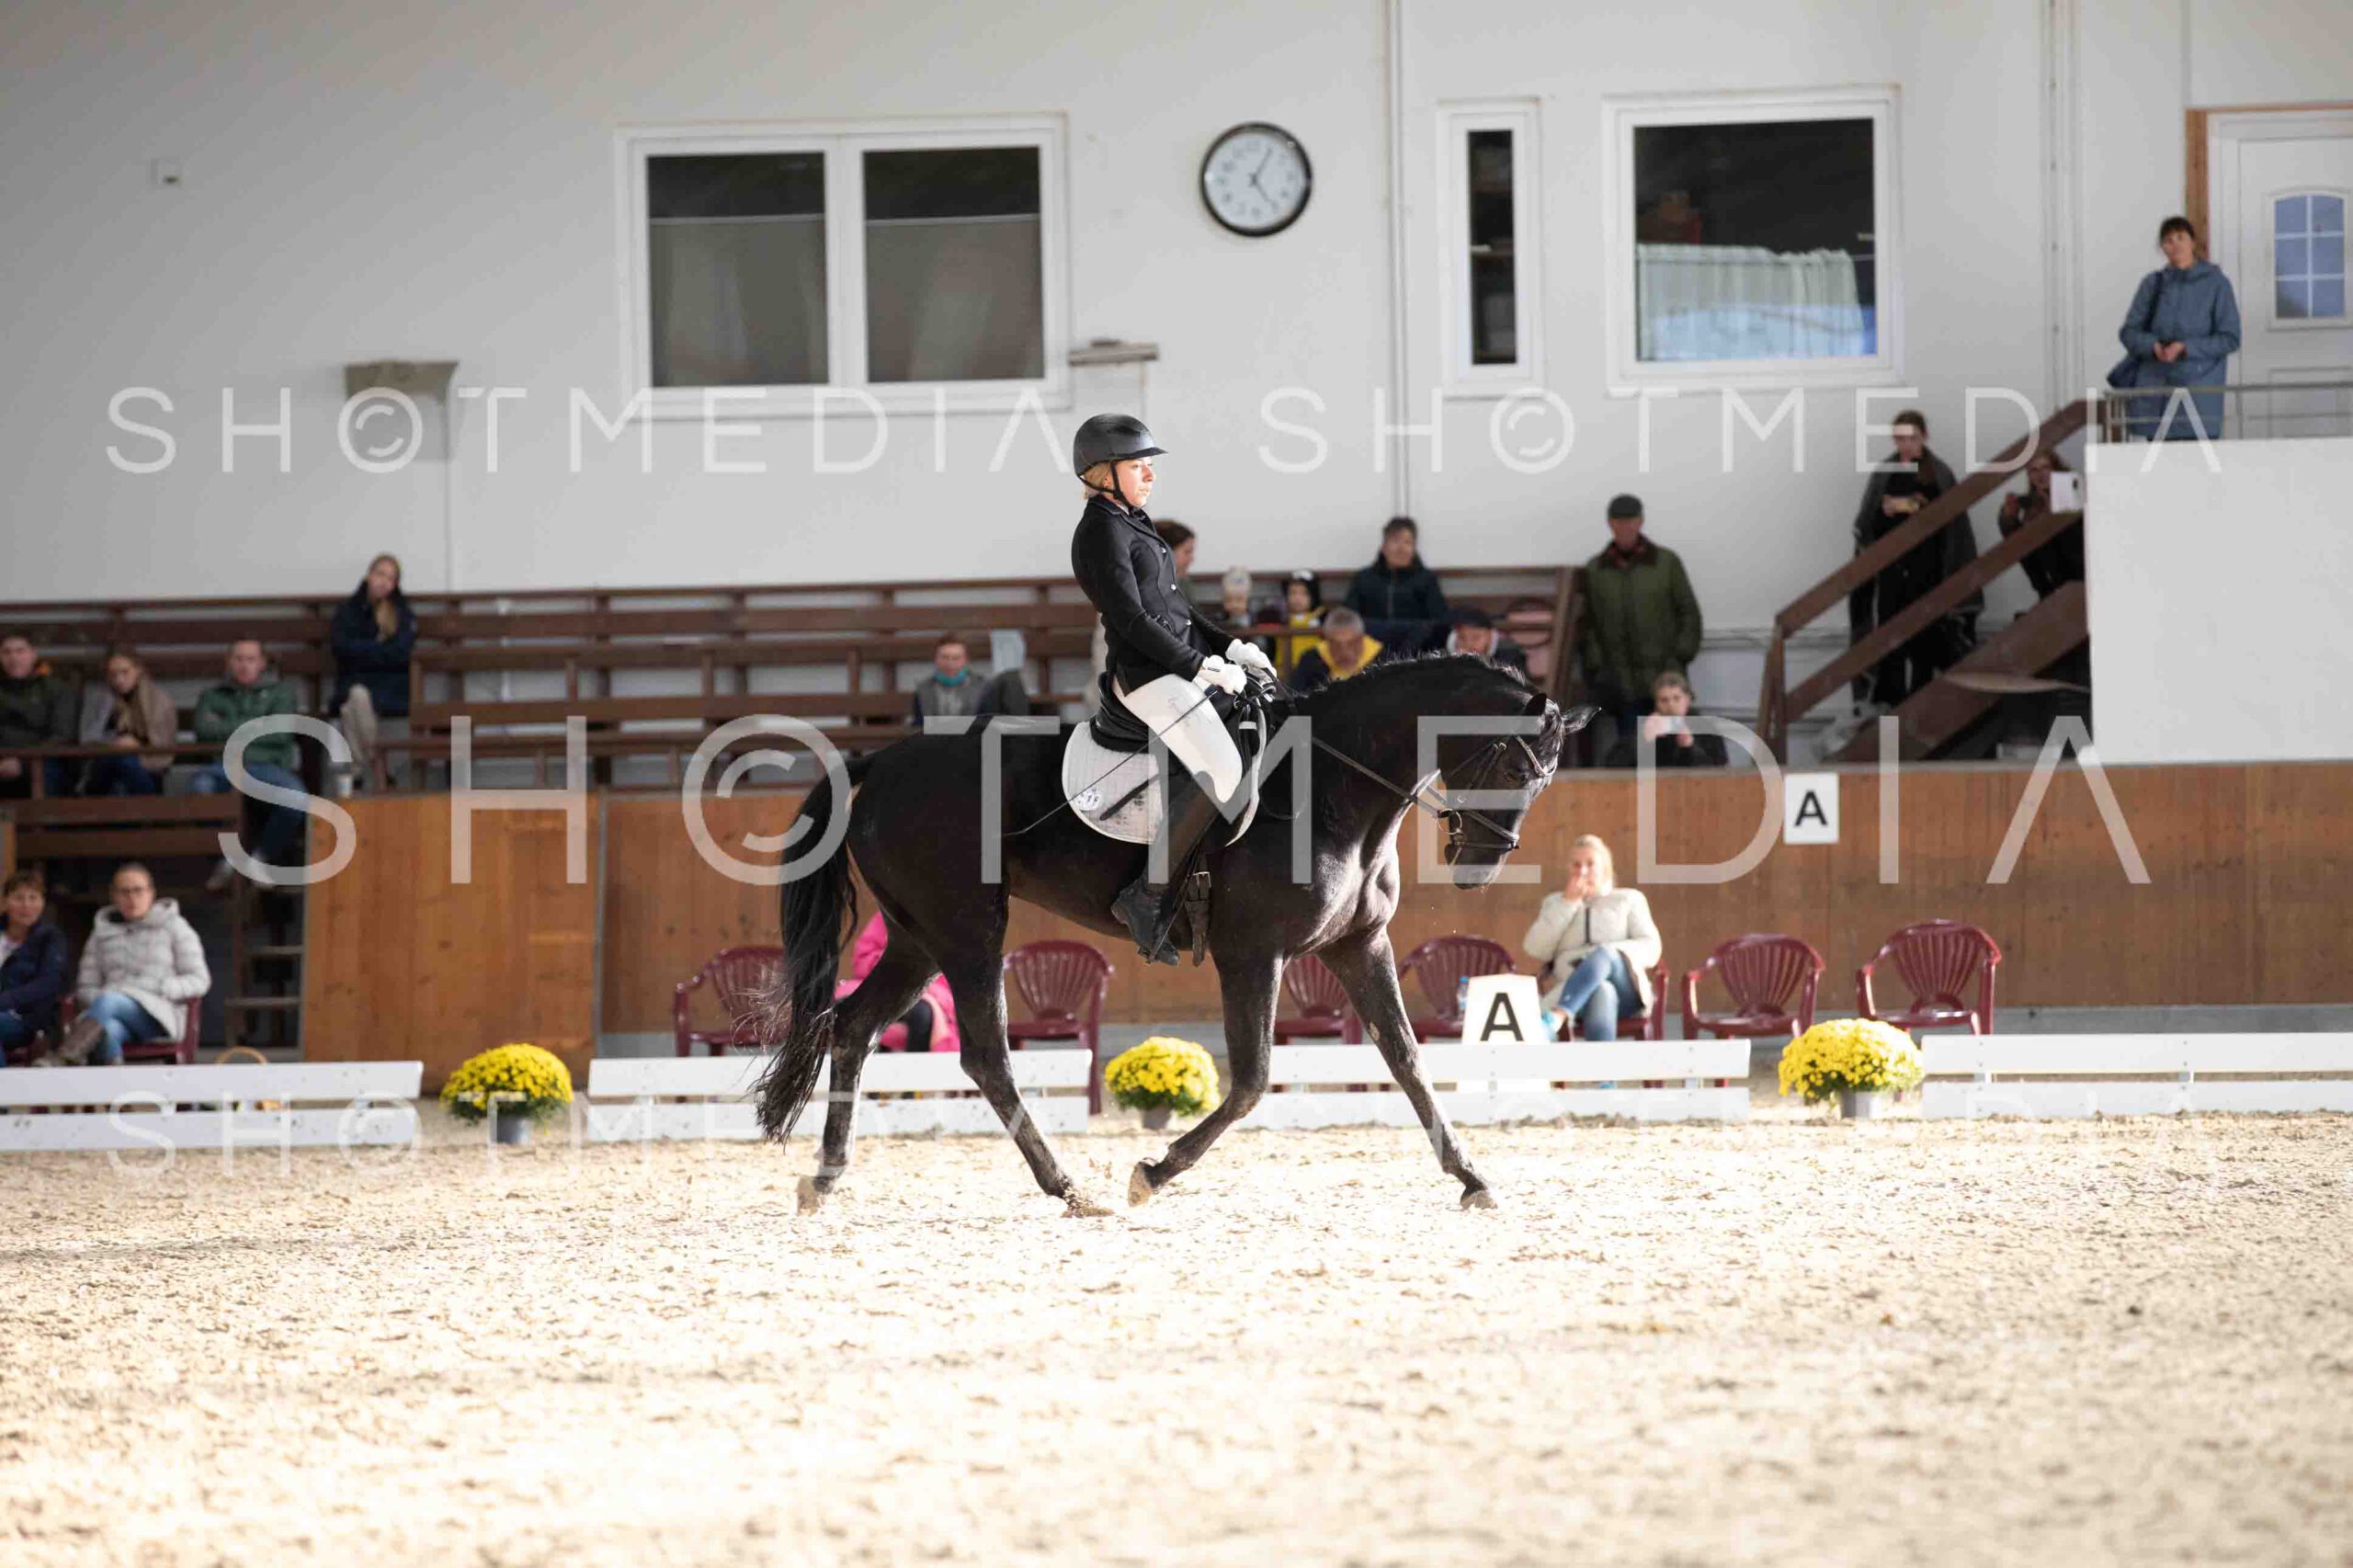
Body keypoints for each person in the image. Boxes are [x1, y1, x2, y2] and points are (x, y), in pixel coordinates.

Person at [1067, 413, 1274, 964]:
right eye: (1138, 466)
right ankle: (1146, 895)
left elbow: (1176, 607)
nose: (1150, 475)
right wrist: (1201, 667)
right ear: (1103, 472)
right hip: (1147, 677)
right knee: (1223, 771)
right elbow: (1133, 620)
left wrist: (1230, 647)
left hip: (1176, 666)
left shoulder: (1135, 521)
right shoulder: (1100, 532)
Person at [1846, 411, 1982, 710]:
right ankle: (1890, 704)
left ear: (1924, 437)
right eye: (1900, 439)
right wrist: (1886, 512)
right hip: (1892, 571)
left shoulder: (1940, 474)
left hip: (1929, 569)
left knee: (1926, 638)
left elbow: (1953, 528)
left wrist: (1918, 508)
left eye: (1912, 438)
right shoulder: (1885, 473)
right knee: (1890, 637)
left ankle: (1924, 703)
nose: (1906, 445)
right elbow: (1868, 527)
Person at [41, 862, 209, 1066]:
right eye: (124, 892)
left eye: (138, 890)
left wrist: (164, 987)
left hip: (159, 1015)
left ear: (151, 893)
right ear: (114, 896)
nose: (132, 898)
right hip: (110, 1011)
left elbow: (200, 979)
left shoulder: (174, 927)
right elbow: (86, 987)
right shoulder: (101, 934)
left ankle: (65, 1055)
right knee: (108, 1030)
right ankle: (113, 1084)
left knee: (111, 1000)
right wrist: (107, 996)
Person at [1578, 494, 1702, 747]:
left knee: (1674, 749)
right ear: (1610, 524)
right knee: (1632, 750)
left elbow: (1689, 614)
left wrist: (1679, 658)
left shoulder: (1666, 563)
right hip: (1621, 685)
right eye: (1619, 521)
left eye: (1631, 521)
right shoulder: (1595, 570)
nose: (1626, 527)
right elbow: (1588, 625)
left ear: (1641, 522)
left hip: (1666, 683)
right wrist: (1598, 667)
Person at [2110, 216, 2242, 441]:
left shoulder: (2217, 284)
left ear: (2193, 242)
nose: (2175, 245)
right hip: (2155, 398)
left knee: (2199, 462)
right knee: (2155, 462)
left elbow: (2230, 338)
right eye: (2168, 240)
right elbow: (2129, 332)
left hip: (2198, 398)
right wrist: (2152, 347)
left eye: (2181, 237)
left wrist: (2185, 348)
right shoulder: (2152, 284)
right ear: (2162, 248)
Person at [1520, 834, 1661, 1041]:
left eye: (1590, 864)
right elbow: (1535, 948)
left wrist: (1606, 955)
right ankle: (1602, 1065)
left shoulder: (1629, 899)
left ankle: (1557, 1015)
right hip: (1573, 991)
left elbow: (1651, 948)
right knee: (1602, 990)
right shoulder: (1554, 903)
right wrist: (1568, 904)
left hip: (1626, 992)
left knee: (1605, 953)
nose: (1582, 871)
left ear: (1605, 868)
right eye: (1576, 865)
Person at [190, 639, 304, 890]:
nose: (244, 665)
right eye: (239, 659)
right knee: (200, 789)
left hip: (268, 766)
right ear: (228, 662)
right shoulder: (212, 695)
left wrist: (228, 730)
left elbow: (281, 734)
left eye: (251, 659)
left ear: (262, 663)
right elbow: (204, 732)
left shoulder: (282, 692)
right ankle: (228, 858)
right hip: (223, 766)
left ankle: (259, 860)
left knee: (297, 799)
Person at [330, 552, 416, 791]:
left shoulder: (401, 613)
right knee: (356, 697)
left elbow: (401, 652)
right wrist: (380, 649)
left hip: (391, 685)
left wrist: (364, 651)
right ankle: (379, 767)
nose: (383, 582)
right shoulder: (348, 610)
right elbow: (340, 648)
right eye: (380, 574)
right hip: (354, 681)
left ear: (395, 584)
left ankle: (358, 772)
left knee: (350, 708)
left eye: (390, 578)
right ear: (369, 575)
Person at [835, 912, 959, 1052]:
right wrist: (895, 963)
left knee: (923, 1013)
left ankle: (914, 1064)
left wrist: (928, 993)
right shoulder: (889, 914)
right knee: (844, 1008)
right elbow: (861, 960)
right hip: (881, 985)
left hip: (928, 995)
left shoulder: (946, 922)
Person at [75, 646, 177, 797]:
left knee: (125, 761)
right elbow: (87, 739)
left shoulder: (158, 700)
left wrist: (137, 746)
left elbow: (163, 751)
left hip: (146, 769)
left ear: (138, 670)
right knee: (115, 759)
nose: (119, 680)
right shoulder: (101, 699)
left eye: (125, 672)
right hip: (103, 766)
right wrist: (113, 744)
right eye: (113, 674)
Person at [1346, 517, 1449, 653]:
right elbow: (1350, 618)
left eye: (1407, 543)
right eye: (1395, 541)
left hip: (1416, 651)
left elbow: (1438, 621)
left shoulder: (1427, 580)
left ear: (1414, 549)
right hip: (1371, 650)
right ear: (1383, 547)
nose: (1401, 549)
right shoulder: (1364, 579)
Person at [0, 870, 70, 1063]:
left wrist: (5, 1000)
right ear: (5, 901)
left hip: (27, 1019)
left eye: (33, 898)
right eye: (19, 898)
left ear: (42, 903)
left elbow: (48, 983)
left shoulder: (51, 938)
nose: (26, 905)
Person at [1997, 450, 2085, 600]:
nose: (2041, 475)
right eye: (2034, 470)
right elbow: (2030, 554)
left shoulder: (2072, 486)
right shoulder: (2032, 504)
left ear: (2055, 469)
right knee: (2008, 522)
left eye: (2045, 468)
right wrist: (2009, 518)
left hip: (2079, 570)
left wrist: (2049, 509)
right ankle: (2045, 593)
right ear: (2029, 476)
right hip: (2054, 576)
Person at [0, 633, 77, 800]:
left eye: (20, 651)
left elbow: (62, 736)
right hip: (2, 760)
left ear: (33, 654)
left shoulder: (56, 689)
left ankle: (48, 817)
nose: (14, 658)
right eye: (7, 652)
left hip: (42, 761)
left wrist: (23, 762)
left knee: (48, 772)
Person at [1605, 670, 1726, 768]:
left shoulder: (1706, 727)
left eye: (1676, 698)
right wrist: (1642, 740)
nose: (1671, 705)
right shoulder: (1647, 725)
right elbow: (1612, 765)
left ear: (1688, 699)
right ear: (1656, 703)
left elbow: (1719, 768)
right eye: (1664, 700)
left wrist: (1689, 746)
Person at [908, 634, 1029, 723]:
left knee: (1012, 679)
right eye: (945, 657)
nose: (950, 663)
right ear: (936, 659)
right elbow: (918, 725)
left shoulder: (983, 688)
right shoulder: (923, 690)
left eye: (956, 658)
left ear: (965, 660)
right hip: (934, 744)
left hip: (973, 744)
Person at [1290, 606, 1383, 691]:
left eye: (1351, 644)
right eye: (1337, 645)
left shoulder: (1382, 660)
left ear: (1361, 639)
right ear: (1327, 642)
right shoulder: (1311, 661)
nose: (1345, 652)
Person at [1444, 606, 1528, 673]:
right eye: (1462, 638)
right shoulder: (1444, 659)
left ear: (1490, 637)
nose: (1468, 644)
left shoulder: (1510, 655)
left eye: (1476, 638)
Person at [1273, 570, 1325, 673]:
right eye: (1293, 593)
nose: (1297, 598)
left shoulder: (1323, 617)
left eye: (1304, 593)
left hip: (1314, 673)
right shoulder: (1281, 618)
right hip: (1283, 673)